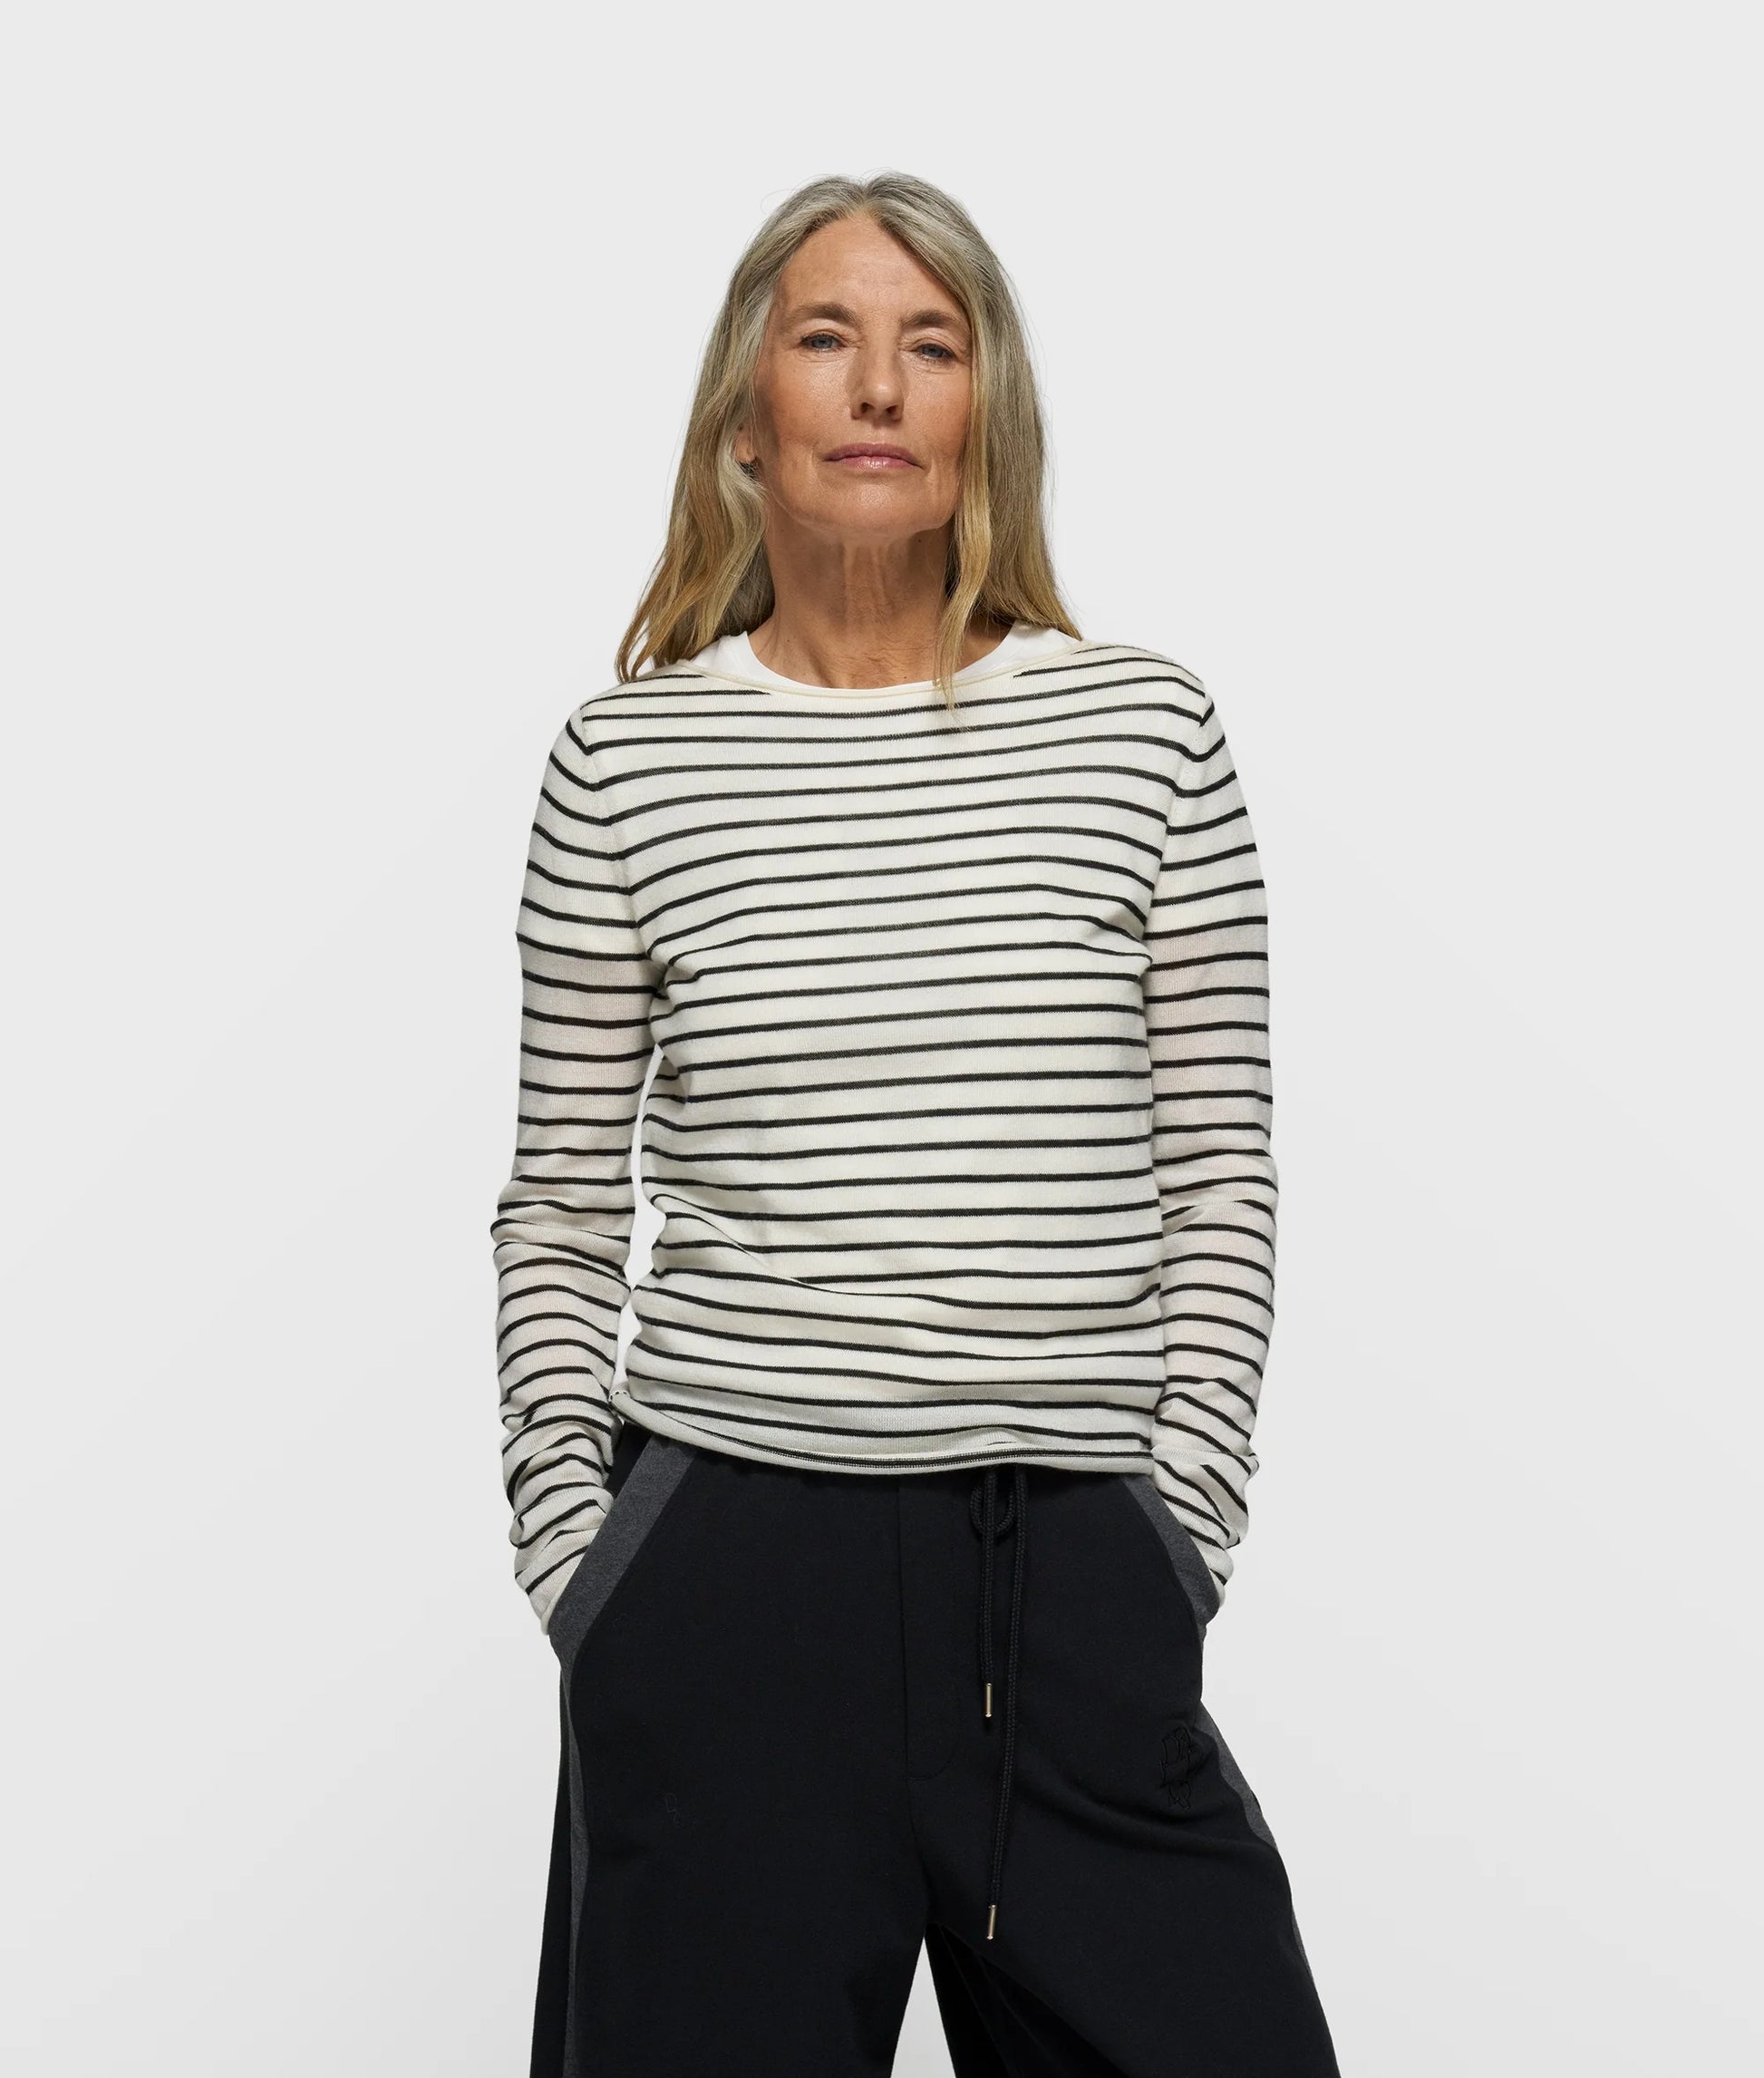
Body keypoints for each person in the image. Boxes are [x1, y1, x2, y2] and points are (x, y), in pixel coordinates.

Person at [491, 170, 1342, 2078]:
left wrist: (1178, 1528)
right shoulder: (627, 763)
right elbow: (556, 1205)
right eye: (826, 338)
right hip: (725, 1589)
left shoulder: (1143, 736)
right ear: (746, 419)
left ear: (985, 413)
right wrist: (583, 1568)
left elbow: (1219, 1170)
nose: (878, 386)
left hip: (1071, 1583)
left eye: (931, 345)